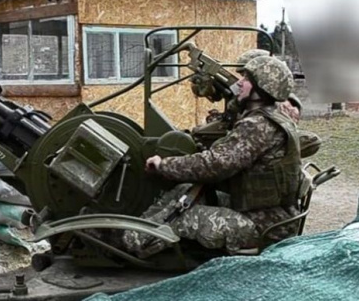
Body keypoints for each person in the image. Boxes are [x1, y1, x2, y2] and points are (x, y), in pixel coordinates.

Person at [122, 56, 303, 258]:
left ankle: (131, 245)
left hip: (264, 227)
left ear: (262, 88)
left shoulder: (258, 126)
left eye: (246, 79)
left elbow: (214, 165)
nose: (239, 83)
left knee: (186, 217)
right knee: (184, 190)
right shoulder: (270, 117)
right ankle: (137, 227)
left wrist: (163, 165)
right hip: (264, 214)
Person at [191, 48, 321, 158]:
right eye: (242, 75)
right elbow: (223, 95)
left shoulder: (283, 103)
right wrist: (208, 86)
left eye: (247, 76)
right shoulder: (247, 92)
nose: (240, 81)